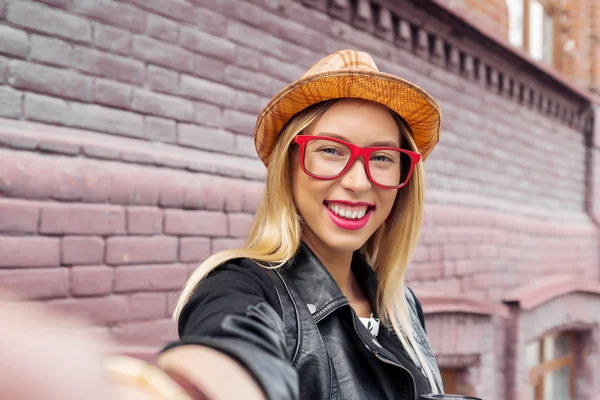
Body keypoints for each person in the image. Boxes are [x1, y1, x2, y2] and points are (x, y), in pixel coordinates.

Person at [118, 49, 445, 400]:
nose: (358, 182)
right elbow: (231, 358)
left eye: (381, 158)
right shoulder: (243, 289)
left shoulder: (401, 303)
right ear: (286, 167)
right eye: (331, 150)